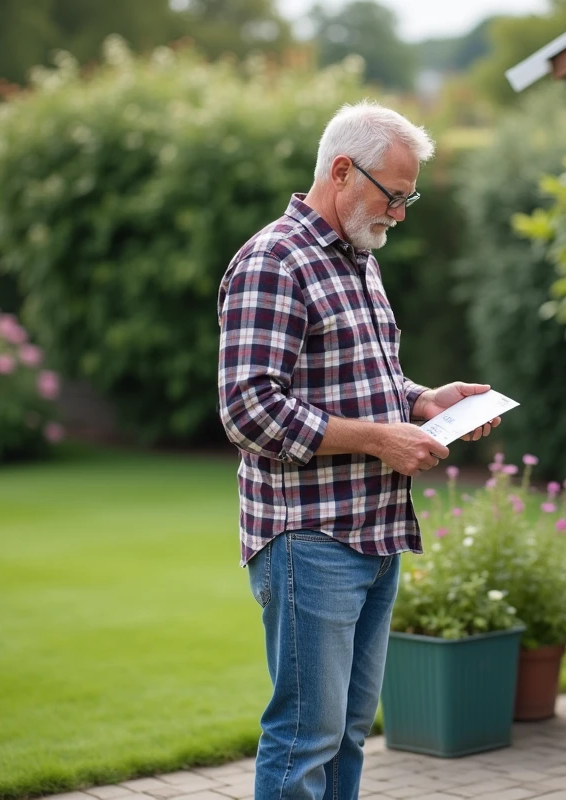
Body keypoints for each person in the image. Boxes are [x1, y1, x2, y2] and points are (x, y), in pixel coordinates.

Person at [216, 100, 500, 799]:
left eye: (409, 198)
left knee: (345, 734)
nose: (400, 214)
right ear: (342, 170)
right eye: (394, 196)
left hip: (373, 537)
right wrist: (380, 439)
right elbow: (248, 408)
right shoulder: (273, 261)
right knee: (304, 739)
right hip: (308, 542)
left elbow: (363, 377)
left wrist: (423, 402)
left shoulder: (357, 257)